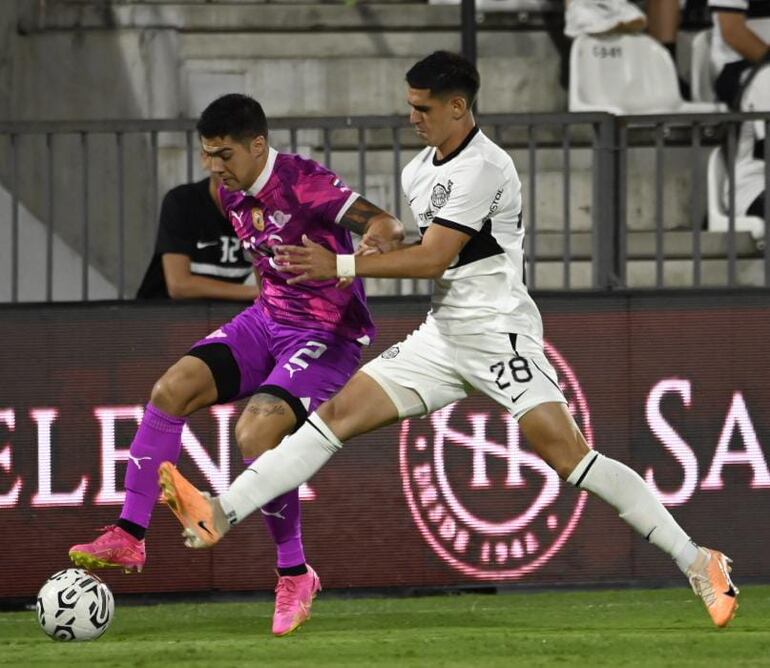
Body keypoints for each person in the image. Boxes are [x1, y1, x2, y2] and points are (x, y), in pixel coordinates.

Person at [157, 52, 740, 629]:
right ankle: (222, 511)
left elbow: (435, 257)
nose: (413, 117)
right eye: (410, 106)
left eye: (424, 107)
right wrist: (378, 244)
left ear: (458, 106)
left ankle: (699, 561)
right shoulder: (419, 172)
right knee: (333, 416)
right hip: (441, 336)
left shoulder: (484, 167)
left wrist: (342, 265)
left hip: (498, 334)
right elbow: (413, 247)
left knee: (570, 458)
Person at [69, 93, 404, 636]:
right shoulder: (230, 194)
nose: (214, 166)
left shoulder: (305, 182)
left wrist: (362, 252)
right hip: (266, 320)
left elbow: (389, 227)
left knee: (256, 435)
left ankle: (295, 573)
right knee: (170, 390)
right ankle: (130, 538)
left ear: (258, 145)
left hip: (324, 334)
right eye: (206, 154)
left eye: (223, 154)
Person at [136, 169, 259, 301]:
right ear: (208, 160)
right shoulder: (183, 202)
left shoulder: (264, 209)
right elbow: (179, 286)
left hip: (226, 314)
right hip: (166, 314)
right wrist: (254, 292)